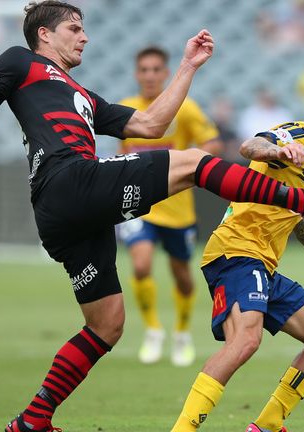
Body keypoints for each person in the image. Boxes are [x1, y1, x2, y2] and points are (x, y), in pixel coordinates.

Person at [0, 2, 304, 431]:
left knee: (107, 324)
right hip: (68, 181)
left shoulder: (81, 94)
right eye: (74, 27)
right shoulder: (21, 62)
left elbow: (149, 124)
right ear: (45, 34)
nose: (84, 36)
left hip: (67, 217)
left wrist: (187, 67)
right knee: (192, 162)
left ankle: (33, 419)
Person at [169, 81, 304, 432]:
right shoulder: (298, 135)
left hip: (262, 265)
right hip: (235, 252)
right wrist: (277, 151)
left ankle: (267, 426)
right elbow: (249, 146)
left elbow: (296, 214)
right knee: (246, 340)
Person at [117, 46, 223, 367]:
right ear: (137, 74)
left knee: (182, 276)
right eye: (144, 70)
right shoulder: (124, 109)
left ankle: (181, 332)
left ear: (165, 74)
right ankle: (152, 330)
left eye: (155, 70)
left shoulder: (184, 109)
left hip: (177, 208)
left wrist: (192, 166)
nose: (149, 76)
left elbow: (213, 142)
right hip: (138, 204)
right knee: (140, 265)